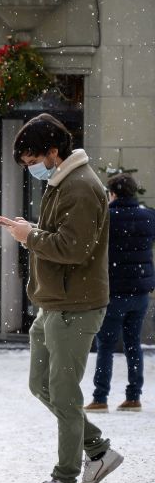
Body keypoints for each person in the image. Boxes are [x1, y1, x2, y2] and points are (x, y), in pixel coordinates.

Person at [0, 112, 123, 483]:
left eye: (33, 161)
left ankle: (64, 478)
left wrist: (28, 235)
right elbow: (62, 238)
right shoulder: (63, 180)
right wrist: (28, 230)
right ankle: (99, 451)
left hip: (75, 306)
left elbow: (74, 248)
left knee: (64, 394)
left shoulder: (81, 186)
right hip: (53, 303)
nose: (30, 169)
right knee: (42, 386)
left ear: (53, 151)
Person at [86, 173, 155, 413]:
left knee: (105, 345)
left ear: (112, 193)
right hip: (141, 292)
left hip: (113, 291)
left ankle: (100, 397)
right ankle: (134, 396)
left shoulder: (106, 217)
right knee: (133, 343)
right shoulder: (148, 217)